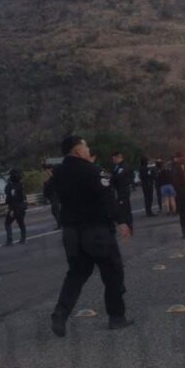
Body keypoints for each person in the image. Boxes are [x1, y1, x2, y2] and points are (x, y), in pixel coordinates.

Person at [48, 134, 134, 336]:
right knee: (112, 272)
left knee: (76, 274)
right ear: (78, 150)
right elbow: (108, 199)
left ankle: (60, 314)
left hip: (70, 232)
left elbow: (48, 193)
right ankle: (116, 317)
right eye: (85, 147)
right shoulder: (94, 171)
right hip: (96, 230)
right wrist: (121, 221)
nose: (88, 150)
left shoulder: (58, 173)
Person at [111, 151, 134, 232]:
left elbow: (119, 177)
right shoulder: (117, 167)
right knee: (122, 208)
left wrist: (112, 178)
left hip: (123, 191)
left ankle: (128, 226)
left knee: (124, 208)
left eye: (113, 158)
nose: (113, 160)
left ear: (118, 157)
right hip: (119, 190)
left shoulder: (124, 167)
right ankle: (127, 225)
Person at [4, 168, 28, 245]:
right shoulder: (21, 185)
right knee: (21, 223)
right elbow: (24, 197)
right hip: (21, 207)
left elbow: (10, 198)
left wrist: (11, 209)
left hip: (14, 207)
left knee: (7, 223)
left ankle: (9, 240)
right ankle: (23, 238)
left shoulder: (10, 185)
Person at [42, 162, 62, 229]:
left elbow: (52, 176)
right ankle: (60, 224)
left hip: (54, 196)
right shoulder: (50, 179)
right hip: (52, 197)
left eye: (48, 170)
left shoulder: (54, 176)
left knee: (55, 212)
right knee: (55, 212)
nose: (46, 172)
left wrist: (46, 168)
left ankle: (60, 224)